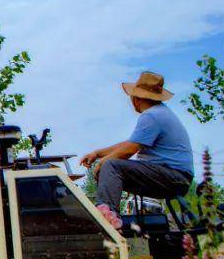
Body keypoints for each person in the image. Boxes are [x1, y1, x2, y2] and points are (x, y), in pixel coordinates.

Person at [79, 71, 193, 227]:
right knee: (110, 166)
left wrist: (103, 162)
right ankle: (110, 213)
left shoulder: (152, 116)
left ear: (136, 98)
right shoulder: (160, 113)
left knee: (111, 166)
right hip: (176, 177)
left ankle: (106, 216)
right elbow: (130, 144)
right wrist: (98, 153)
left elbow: (128, 151)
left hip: (173, 177)